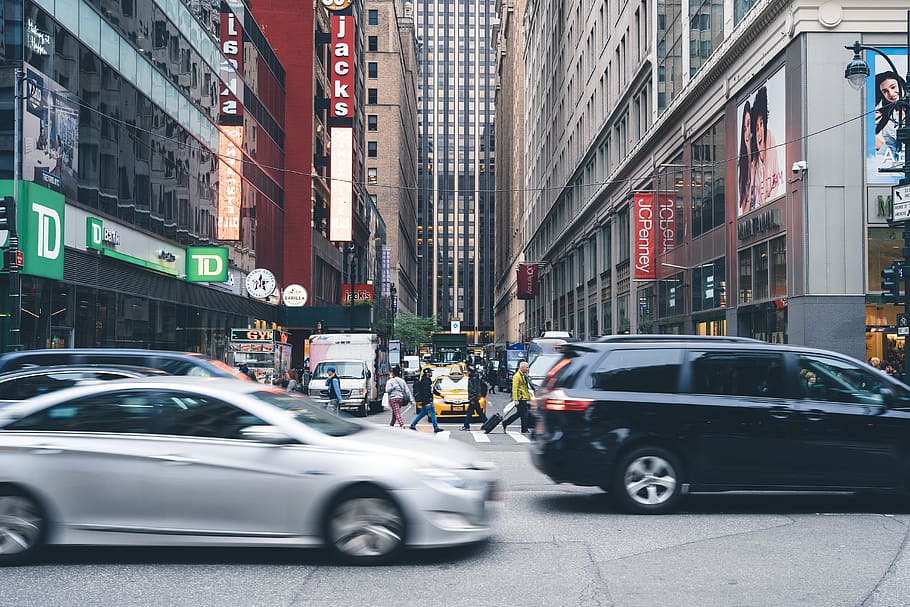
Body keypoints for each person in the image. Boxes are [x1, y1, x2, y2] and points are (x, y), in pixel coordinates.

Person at [751, 86, 782, 208]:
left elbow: (777, 182)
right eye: (757, 128)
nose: (759, 131)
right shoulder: (754, 161)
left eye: (761, 124)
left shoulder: (770, 137)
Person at [409, 367, 443, 432]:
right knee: (433, 413)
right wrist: (427, 402)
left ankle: (413, 425)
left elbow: (432, 390)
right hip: (428, 401)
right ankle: (436, 428)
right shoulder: (425, 382)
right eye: (430, 372)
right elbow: (425, 393)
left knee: (422, 414)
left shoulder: (428, 380)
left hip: (427, 401)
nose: (431, 373)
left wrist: (439, 394)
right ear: (427, 373)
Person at [502, 360, 532, 434]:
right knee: (524, 414)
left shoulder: (523, 375)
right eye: (527, 367)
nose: (528, 369)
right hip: (520, 398)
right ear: (522, 367)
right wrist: (515, 399)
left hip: (524, 397)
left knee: (520, 414)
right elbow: (514, 388)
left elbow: (525, 385)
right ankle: (524, 429)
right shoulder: (517, 376)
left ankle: (506, 423)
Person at [738, 100, 756, 216]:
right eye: (744, 128)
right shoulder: (742, 171)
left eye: (749, 125)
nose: (747, 132)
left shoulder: (759, 162)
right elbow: (744, 211)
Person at [460, 365, 488, 431]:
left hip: (474, 398)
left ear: (470, 371)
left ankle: (466, 426)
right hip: (474, 398)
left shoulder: (474, 378)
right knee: (479, 412)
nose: (466, 373)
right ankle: (486, 423)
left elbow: (475, 389)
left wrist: (473, 398)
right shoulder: (473, 377)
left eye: (467, 371)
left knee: (470, 412)